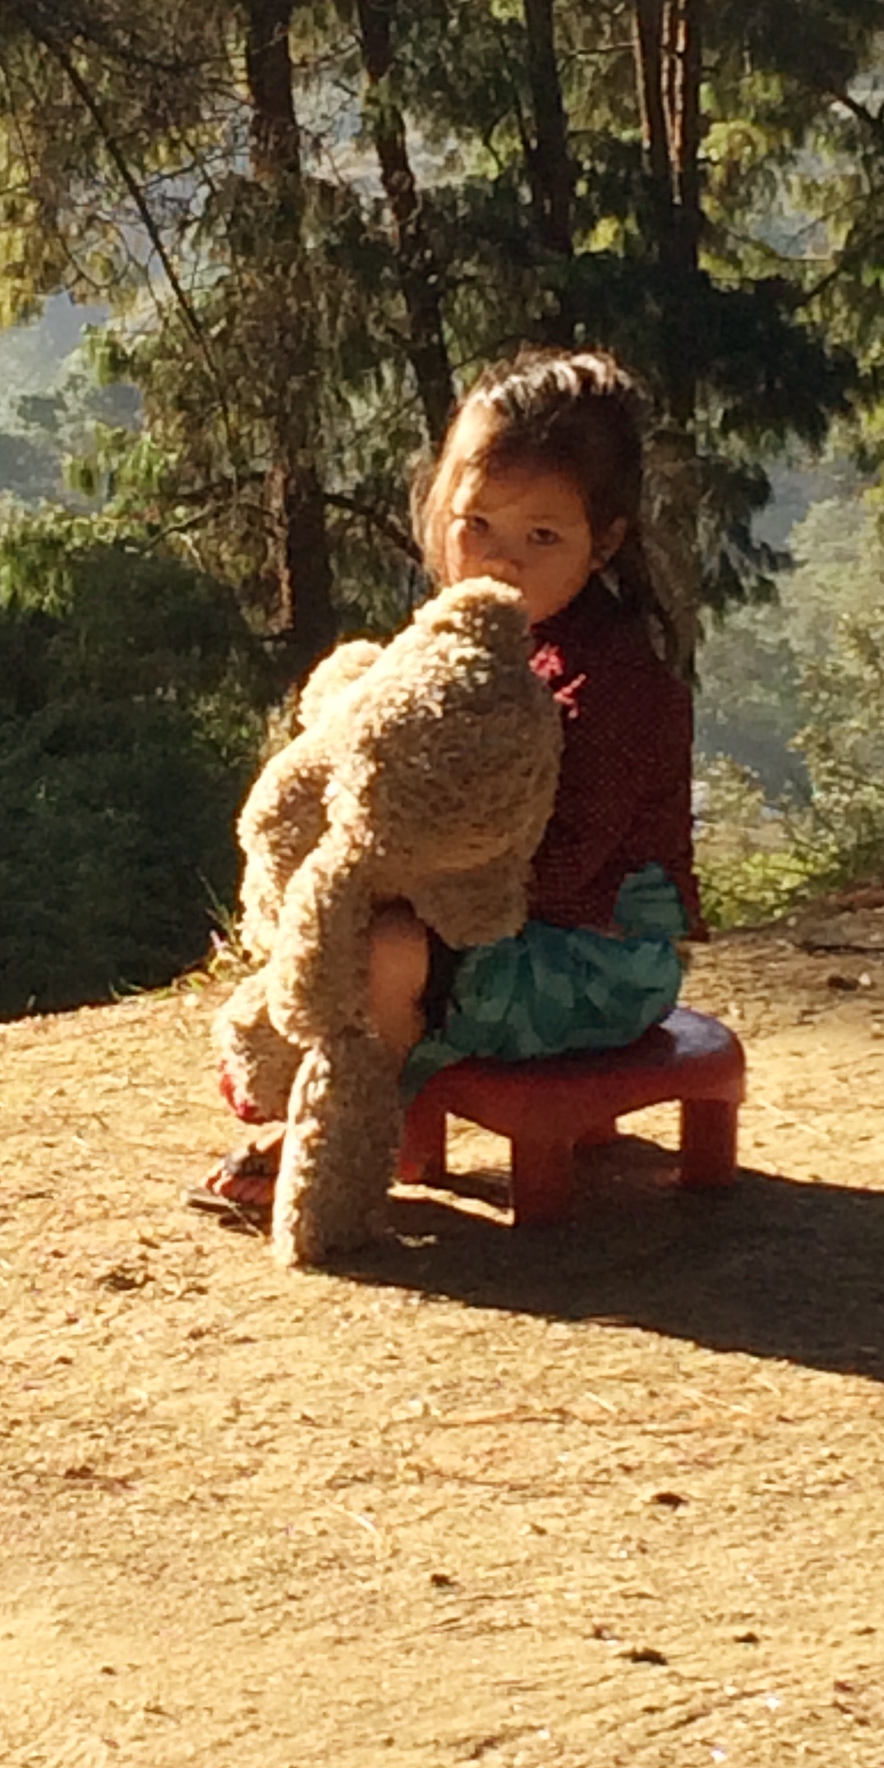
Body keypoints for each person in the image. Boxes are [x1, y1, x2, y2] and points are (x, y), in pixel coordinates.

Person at [191, 346, 699, 1219]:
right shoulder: (464, 653)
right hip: (501, 920)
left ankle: (343, 1128)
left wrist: (400, 887)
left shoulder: (612, 684)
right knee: (336, 918)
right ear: (440, 509)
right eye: (478, 526)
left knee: (384, 951)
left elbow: (562, 872)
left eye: (543, 538)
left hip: (602, 954)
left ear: (605, 540)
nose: (501, 562)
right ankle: (330, 1087)